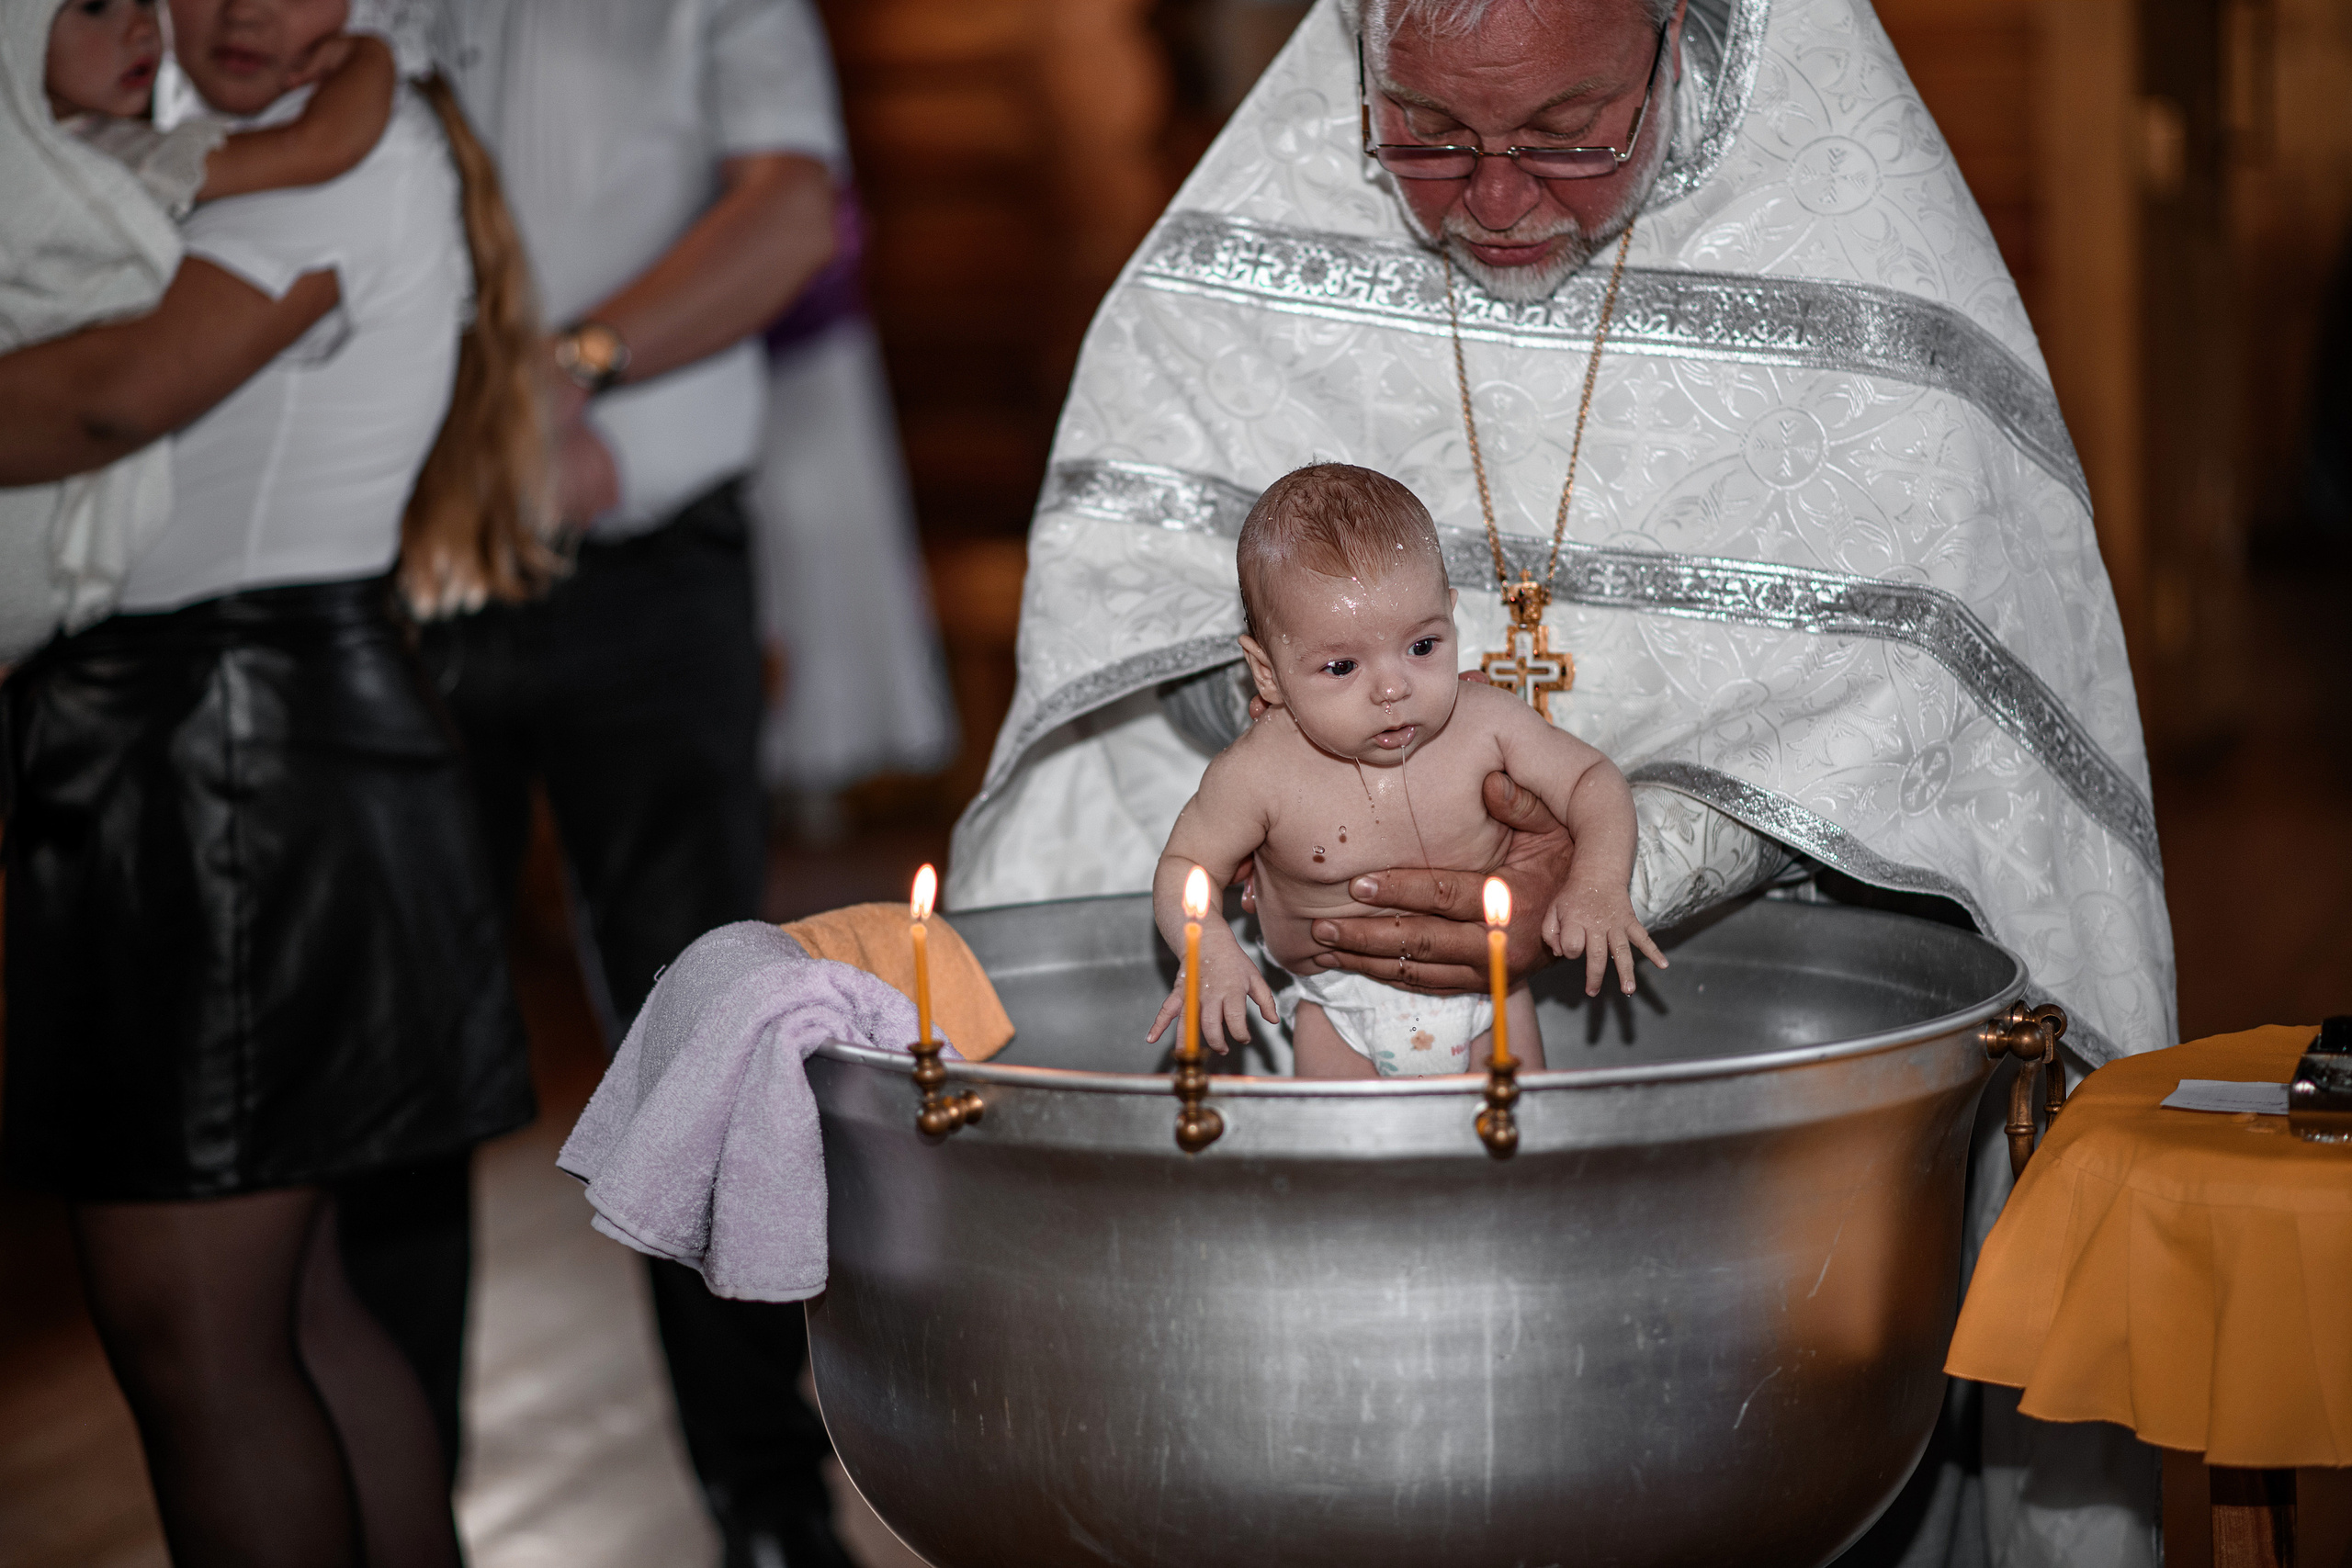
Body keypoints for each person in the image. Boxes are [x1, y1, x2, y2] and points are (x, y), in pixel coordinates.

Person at [948, 0, 2172, 1562]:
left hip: (1762, 1106)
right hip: (1351, 1163)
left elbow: (1930, 717)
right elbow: (1132, 624)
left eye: (1569, 134)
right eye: (1430, 137)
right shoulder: (1252, 252)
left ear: (1682, 36)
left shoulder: (1862, 250)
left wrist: (1631, 856)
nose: (1500, 200)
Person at [0, 0, 547, 1557]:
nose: (247, 10)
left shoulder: (347, 156)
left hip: (226, 756)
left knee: (198, 1338)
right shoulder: (239, 143)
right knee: (286, 1314)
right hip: (224, 743)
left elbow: (105, 398)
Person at [431, 2, 854, 1561]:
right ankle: (397, 1507)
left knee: (703, 1045)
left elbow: (790, 206)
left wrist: (567, 371)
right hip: (385, 584)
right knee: (407, 1068)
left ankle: (770, 1504)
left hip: (649, 568)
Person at [1148, 463, 1665, 1077]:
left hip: (1489, 997)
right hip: (1337, 1010)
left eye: (1422, 646)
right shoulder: (1259, 772)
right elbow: (1184, 867)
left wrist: (1598, 883)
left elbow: (1592, 782)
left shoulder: (1486, 724)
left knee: (1518, 1145)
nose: (1393, 687)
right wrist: (1205, 947)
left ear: (1450, 615)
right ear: (1267, 672)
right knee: (1351, 1161)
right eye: (1342, 666)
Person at [1, 0, 393, 662]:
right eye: (94, 7)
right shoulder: (101, 161)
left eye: (144, 1)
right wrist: (374, 58)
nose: (138, 29)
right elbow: (323, 144)